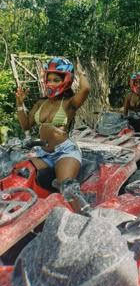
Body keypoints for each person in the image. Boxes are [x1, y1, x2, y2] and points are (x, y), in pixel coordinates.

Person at [16, 56, 90, 200]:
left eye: (56, 80)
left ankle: (82, 216)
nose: (51, 83)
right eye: (49, 80)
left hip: (65, 152)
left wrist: (81, 73)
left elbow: (86, 88)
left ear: (67, 80)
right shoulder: (40, 103)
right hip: (44, 153)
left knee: (67, 189)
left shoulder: (70, 102)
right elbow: (25, 125)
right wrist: (19, 103)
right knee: (20, 172)